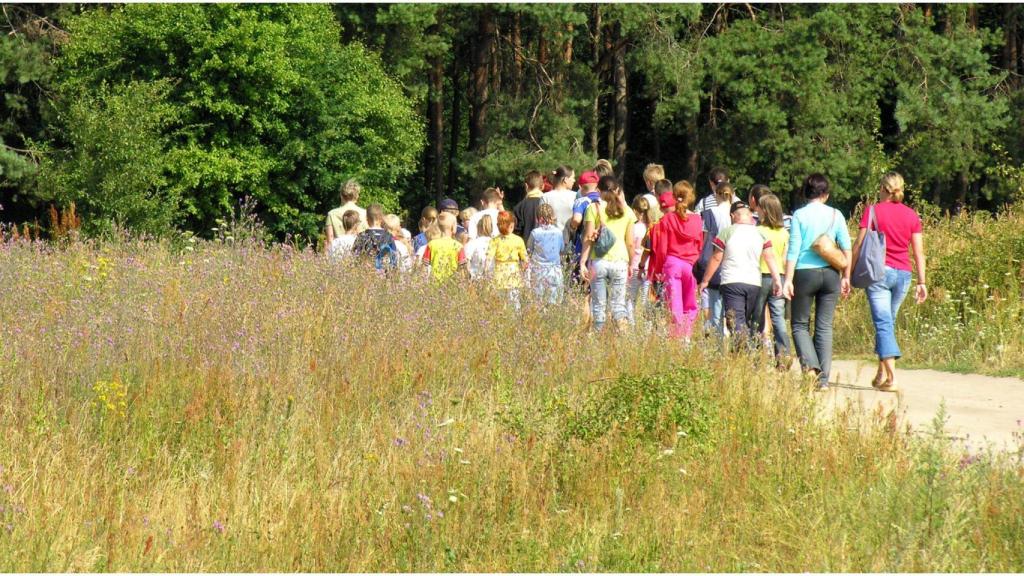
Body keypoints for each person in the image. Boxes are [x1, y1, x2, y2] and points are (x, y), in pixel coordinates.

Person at [851, 171, 928, 392]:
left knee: (883, 324)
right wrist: (922, 282)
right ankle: (881, 372)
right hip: (904, 275)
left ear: (884, 189)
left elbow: (858, 244)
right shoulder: (911, 215)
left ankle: (893, 378)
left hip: (879, 273)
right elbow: (919, 252)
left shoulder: (873, 211)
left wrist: (847, 272)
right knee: (887, 323)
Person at [783, 173, 853, 390]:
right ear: (826, 194)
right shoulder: (836, 214)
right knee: (824, 327)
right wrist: (846, 276)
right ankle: (823, 381)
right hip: (831, 274)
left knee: (799, 324)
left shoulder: (799, 216)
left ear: (806, 192)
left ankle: (811, 367)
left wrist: (788, 280)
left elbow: (793, 249)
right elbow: (846, 248)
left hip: (804, 273)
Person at [699, 201, 783, 346]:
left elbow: (716, 257)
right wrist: (777, 280)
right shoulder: (760, 233)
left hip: (732, 281)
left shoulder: (726, 232)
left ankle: (742, 347)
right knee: (747, 318)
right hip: (754, 283)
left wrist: (705, 280)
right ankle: (747, 350)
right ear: (751, 217)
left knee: (736, 319)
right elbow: (769, 257)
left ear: (733, 216)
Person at [579, 175, 636, 331]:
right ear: (617, 189)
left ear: (598, 190)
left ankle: (597, 341)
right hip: (620, 261)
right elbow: (630, 242)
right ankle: (624, 338)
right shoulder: (628, 212)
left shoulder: (593, 208)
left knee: (598, 306)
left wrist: (582, 261)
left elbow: (588, 237)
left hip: (598, 261)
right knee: (618, 306)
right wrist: (631, 263)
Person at [649, 181, 703, 340]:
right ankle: (686, 337)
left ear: (674, 197)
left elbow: (661, 249)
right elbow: (699, 245)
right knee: (690, 304)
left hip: (672, 264)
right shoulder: (697, 220)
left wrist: (658, 270)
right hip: (690, 265)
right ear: (691, 197)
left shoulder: (667, 219)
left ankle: (676, 339)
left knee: (674, 305)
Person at [752, 193, 792, 363]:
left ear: (765, 211)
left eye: (759, 208)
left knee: (756, 317)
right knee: (778, 317)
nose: (757, 211)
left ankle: (756, 354)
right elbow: (784, 258)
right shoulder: (784, 233)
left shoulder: (758, 231)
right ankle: (783, 355)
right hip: (780, 277)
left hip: (760, 276)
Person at [696, 182, 738, 336]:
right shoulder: (737, 214)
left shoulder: (709, 213)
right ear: (732, 195)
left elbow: (705, 239)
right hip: (734, 263)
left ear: (716, 195)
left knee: (716, 309)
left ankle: (719, 342)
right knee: (733, 309)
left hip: (715, 263)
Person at [626, 194, 661, 324]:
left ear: (635, 211)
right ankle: (648, 327)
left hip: (635, 266)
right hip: (649, 267)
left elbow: (630, 246)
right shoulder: (652, 228)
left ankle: (631, 325)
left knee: (630, 299)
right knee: (647, 300)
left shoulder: (634, 227)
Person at [487, 211, 528, 309]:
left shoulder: (494, 240)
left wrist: (486, 272)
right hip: (514, 271)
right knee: (514, 302)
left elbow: (488, 258)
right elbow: (525, 259)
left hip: (499, 272)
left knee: (500, 303)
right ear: (512, 224)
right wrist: (523, 271)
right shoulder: (518, 240)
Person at [527, 203, 565, 305]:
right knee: (553, 301)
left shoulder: (535, 232)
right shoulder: (558, 232)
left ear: (537, 217)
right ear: (552, 216)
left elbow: (529, 249)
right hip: (554, 270)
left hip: (538, 270)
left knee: (539, 301)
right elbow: (562, 249)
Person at [422, 212, 467, 282]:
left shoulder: (431, 244)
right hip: (452, 285)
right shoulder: (459, 246)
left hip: (434, 285)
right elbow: (462, 270)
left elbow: (424, 267)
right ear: (453, 227)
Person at [353, 204, 398, 271]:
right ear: (381, 219)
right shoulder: (389, 237)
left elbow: (354, 259)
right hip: (384, 276)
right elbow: (394, 261)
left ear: (367, 219)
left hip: (365, 276)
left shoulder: (361, 236)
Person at [326, 179, 367, 245]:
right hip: (359, 252)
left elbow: (330, 241)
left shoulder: (331, 214)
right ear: (357, 196)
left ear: (341, 195)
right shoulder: (364, 213)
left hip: (338, 251)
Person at [539, 165, 577, 234]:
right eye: (573, 178)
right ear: (565, 179)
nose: (574, 180)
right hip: (571, 240)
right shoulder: (575, 196)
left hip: (551, 239)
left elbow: (542, 222)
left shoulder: (545, 197)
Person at [513, 171, 545, 243]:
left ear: (526, 186)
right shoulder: (548, 204)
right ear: (543, 186)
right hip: (545, 248)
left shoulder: (519, 207)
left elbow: (516, 231)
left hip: (524, 248)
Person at [464, 214, 494, 280]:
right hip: (493, 278)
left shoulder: (472, 243)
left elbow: (466, 262)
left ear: (478, 228)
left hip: (476, 278)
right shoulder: (496, 243)